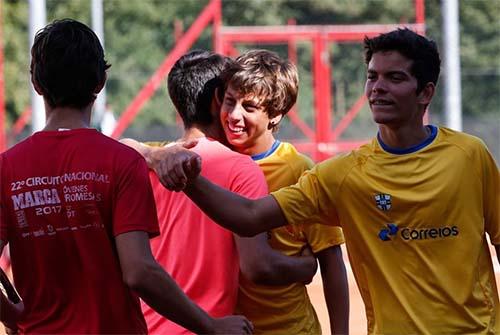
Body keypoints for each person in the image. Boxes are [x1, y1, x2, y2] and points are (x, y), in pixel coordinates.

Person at [155, 28, 500, 334]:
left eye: (394, 78)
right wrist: (174, 170)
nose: (378, 88)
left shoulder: (470, 156)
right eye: (372, 76)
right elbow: (249, 216)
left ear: (425, 92)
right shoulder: (343, 175)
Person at [0, 19, 252, 334]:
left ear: (36, 84)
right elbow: (139, 272)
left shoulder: (7, 168)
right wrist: (210, 326)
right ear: (100, 82)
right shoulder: (121, 163)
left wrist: (11, 314)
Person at [122, 50, 318, 334]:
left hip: (144, 326)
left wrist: (149, 154)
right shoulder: (242, 169)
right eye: (231, 97)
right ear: (219, 99)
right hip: (208, 327)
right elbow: (257, 264)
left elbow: (114, 146)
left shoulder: (146, 162)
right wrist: (307, 268)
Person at [217, 49, 348, 334]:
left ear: (275, 114)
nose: (234, 115)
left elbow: (330, 259)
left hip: (289, 328)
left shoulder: (299, 171)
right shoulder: (209, 160)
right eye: (230, 101)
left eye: (249, 107)